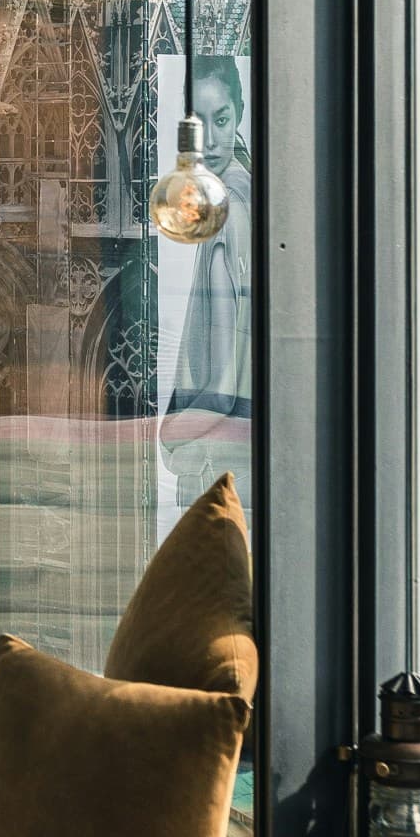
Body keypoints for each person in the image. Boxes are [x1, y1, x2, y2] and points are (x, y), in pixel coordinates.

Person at [160, 55, 253, 513]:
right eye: (202, 124)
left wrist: (165, 436)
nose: (213, 141)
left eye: (223, 120)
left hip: (216, 471)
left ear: (239, 114)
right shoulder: (254, 191)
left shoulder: (224, 218)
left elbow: (222, 389)